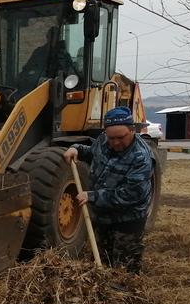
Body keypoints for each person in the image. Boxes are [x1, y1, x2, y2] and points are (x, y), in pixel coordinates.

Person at [63, 106, 154, 274]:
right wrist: (76, 148)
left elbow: (130, 194)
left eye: (121, 137)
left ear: (132, 130)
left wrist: (92, 196)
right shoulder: (104, 140)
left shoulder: (141, 157)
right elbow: (92, 153)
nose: (115, 142)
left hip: (127, 221)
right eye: (111, 138)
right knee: (101, 263)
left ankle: (126, 298)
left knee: (124, 270)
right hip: (102, 217)